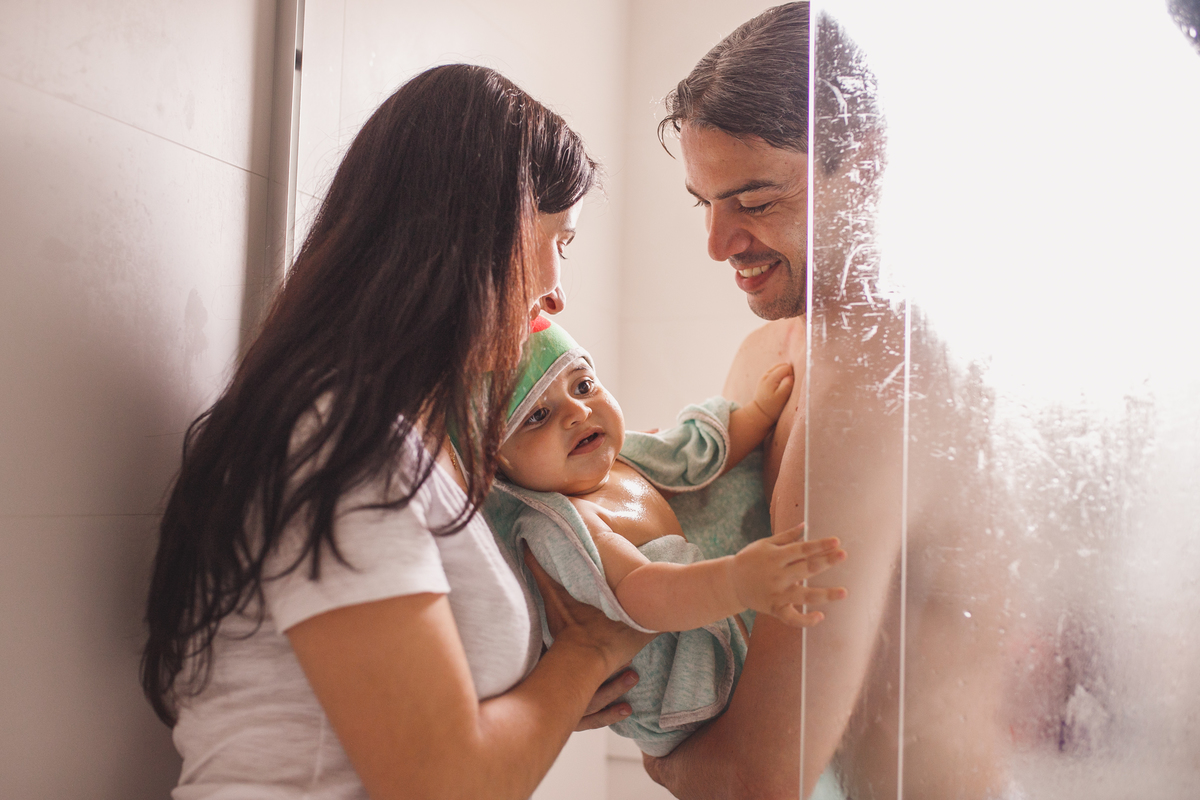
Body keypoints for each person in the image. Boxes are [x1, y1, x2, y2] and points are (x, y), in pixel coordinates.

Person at [139, 63, 655, 800]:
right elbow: (443, 784)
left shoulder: (404, 442)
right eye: (554, 241)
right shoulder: (336, 440)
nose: (555, 288)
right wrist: (587, 654)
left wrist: (538, 705)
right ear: (472, 232)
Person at [646, 4, 1013, 799]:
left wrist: (627, 721)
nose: (717, 243)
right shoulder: (773, 352)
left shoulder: (880, 382)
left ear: (869, 164)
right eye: (702, 201)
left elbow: (760, 775)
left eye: (756, 200)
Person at [487, 316, 847, 755]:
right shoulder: (558, 526)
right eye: (538, 415)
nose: (578, 412)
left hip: (701, 613)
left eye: (582, 386)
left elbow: (688, 455)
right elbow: (639, 592)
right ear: (499, 464)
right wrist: (737, 582)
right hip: (680, 690)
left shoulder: (618, 458)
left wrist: (758, 414)